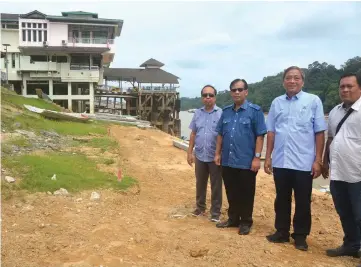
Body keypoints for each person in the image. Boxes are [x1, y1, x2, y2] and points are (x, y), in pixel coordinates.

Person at [264, 66, 327, 251]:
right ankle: (281, 232)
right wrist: (267, 157)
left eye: (296, 78)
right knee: (281, 198)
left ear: (302, 81)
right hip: (281, 160)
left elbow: (319, 133)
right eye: (289, 78)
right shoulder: (277, 102)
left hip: (303, 162)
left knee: (302, 200)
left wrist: (318, 160)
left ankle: (300, 236)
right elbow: (271, 132)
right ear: (283, 81)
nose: (292, 81)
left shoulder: (313, 101)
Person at [214, 78, 267, 235]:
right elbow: (220, 134)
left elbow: (260, 136)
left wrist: (257, 158)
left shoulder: (255, 111)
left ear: (246, 92)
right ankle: (233, 219)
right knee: (231, 191)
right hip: (228, 160)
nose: (236, 92)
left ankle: (246, 221)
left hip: (246, 161)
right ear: (231, 92)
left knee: (246, 192)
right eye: (233, 90)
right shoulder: (226, 112)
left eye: (239, 89)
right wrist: (217, 153)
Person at [322, 72, 361, 262]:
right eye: (342, 86)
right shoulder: (335, 111)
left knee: (360, 214)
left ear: (359, 88)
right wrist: (324, 161)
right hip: (338, 172)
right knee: (344, 211)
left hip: (358, 173)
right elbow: (331, 138)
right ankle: (351, 245)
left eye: (349, 86)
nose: (345, 90)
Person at [187, 85, 223, 222]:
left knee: (216, 184)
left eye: (211, 95)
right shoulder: (197, 113)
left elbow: (222, 135)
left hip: (215, 156)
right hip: (200, 155)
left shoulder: (221, 113)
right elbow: (193, 133)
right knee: (200, 182)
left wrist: (219, 153)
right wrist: (189, 152)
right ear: (202, 97)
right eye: (205, 95)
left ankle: (215, 212)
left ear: (215, 97)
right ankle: (200, 207)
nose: (208, 97)